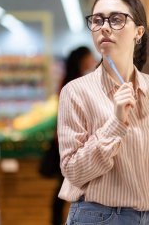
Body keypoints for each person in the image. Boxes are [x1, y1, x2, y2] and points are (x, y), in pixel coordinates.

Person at [57, 0, 149, 225]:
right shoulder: (76, 92)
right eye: (97, 20)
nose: (104, 27)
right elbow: (73, 171)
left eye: (116, 19)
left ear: (139, 32)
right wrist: (115, 123)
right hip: (100, 217)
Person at [39, 46, 96, 225]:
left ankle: (58, 220)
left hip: (65, 140)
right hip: (71, 142)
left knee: (65, 186)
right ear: (81, 60)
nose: (93, 60)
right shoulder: (75, 83)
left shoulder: (69, 79)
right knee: (67, 185)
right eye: (89, 57)